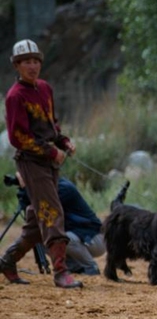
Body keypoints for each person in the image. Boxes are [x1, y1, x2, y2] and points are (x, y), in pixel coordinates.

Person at [1, 39, 82, 288]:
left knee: (38, 220)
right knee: (53, 212)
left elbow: (51, 124)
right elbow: (18, 138)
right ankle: (60, 272)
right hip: (31, 163)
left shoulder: (45, 88)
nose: (32, 66)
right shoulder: (15, 96)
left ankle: (7, 261)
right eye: (26, 61)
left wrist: (64, 142)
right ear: (17, 65)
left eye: (36, 61)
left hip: (48, 162)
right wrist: (50, 152)